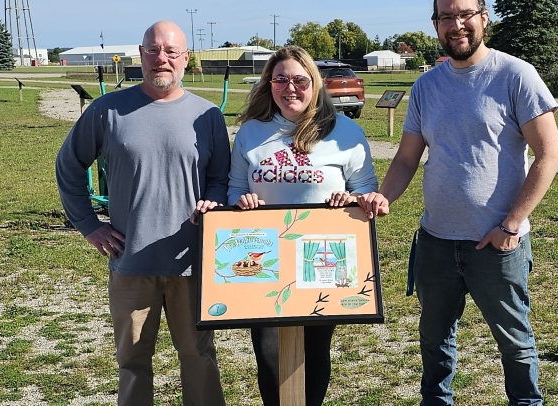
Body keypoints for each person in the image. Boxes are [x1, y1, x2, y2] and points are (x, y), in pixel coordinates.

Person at [358, 0, 558, 404]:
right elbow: (406, 158)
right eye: (446, 17)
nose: (457, 25)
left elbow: (550, 154)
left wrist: (510, 226)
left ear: (483, 18)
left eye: (465, 14)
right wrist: (383, 196)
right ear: (436, 24)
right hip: (435, 241)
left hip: (497, 244)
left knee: (514, 343)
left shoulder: (515, 75)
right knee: (434, 341)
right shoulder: (426, 86)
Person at [55, 20, 229, 406]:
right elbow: (68, 165)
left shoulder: (208, 115)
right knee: (132, 362)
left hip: (192, 264)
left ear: (186, 59)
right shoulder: (107, 111)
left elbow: (220, 178)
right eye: (152, 50)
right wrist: (88, 225)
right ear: (141, 55)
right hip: (130, 263)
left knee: (199, 358)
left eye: (170, 51)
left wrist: (213, 203)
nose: (161, 58)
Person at [228, 45, 378, 405]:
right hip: (264, 258)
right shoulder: (251, 132)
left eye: (299, 79)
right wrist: (240, 202)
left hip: (322, 256)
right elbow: (235, 187)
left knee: (314, 349)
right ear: (269, 84)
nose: (290, 87)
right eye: (280, 79)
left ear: (315, 83)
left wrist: (353, 201)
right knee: (268, 353)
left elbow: (366, 188)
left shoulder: (343, 131)